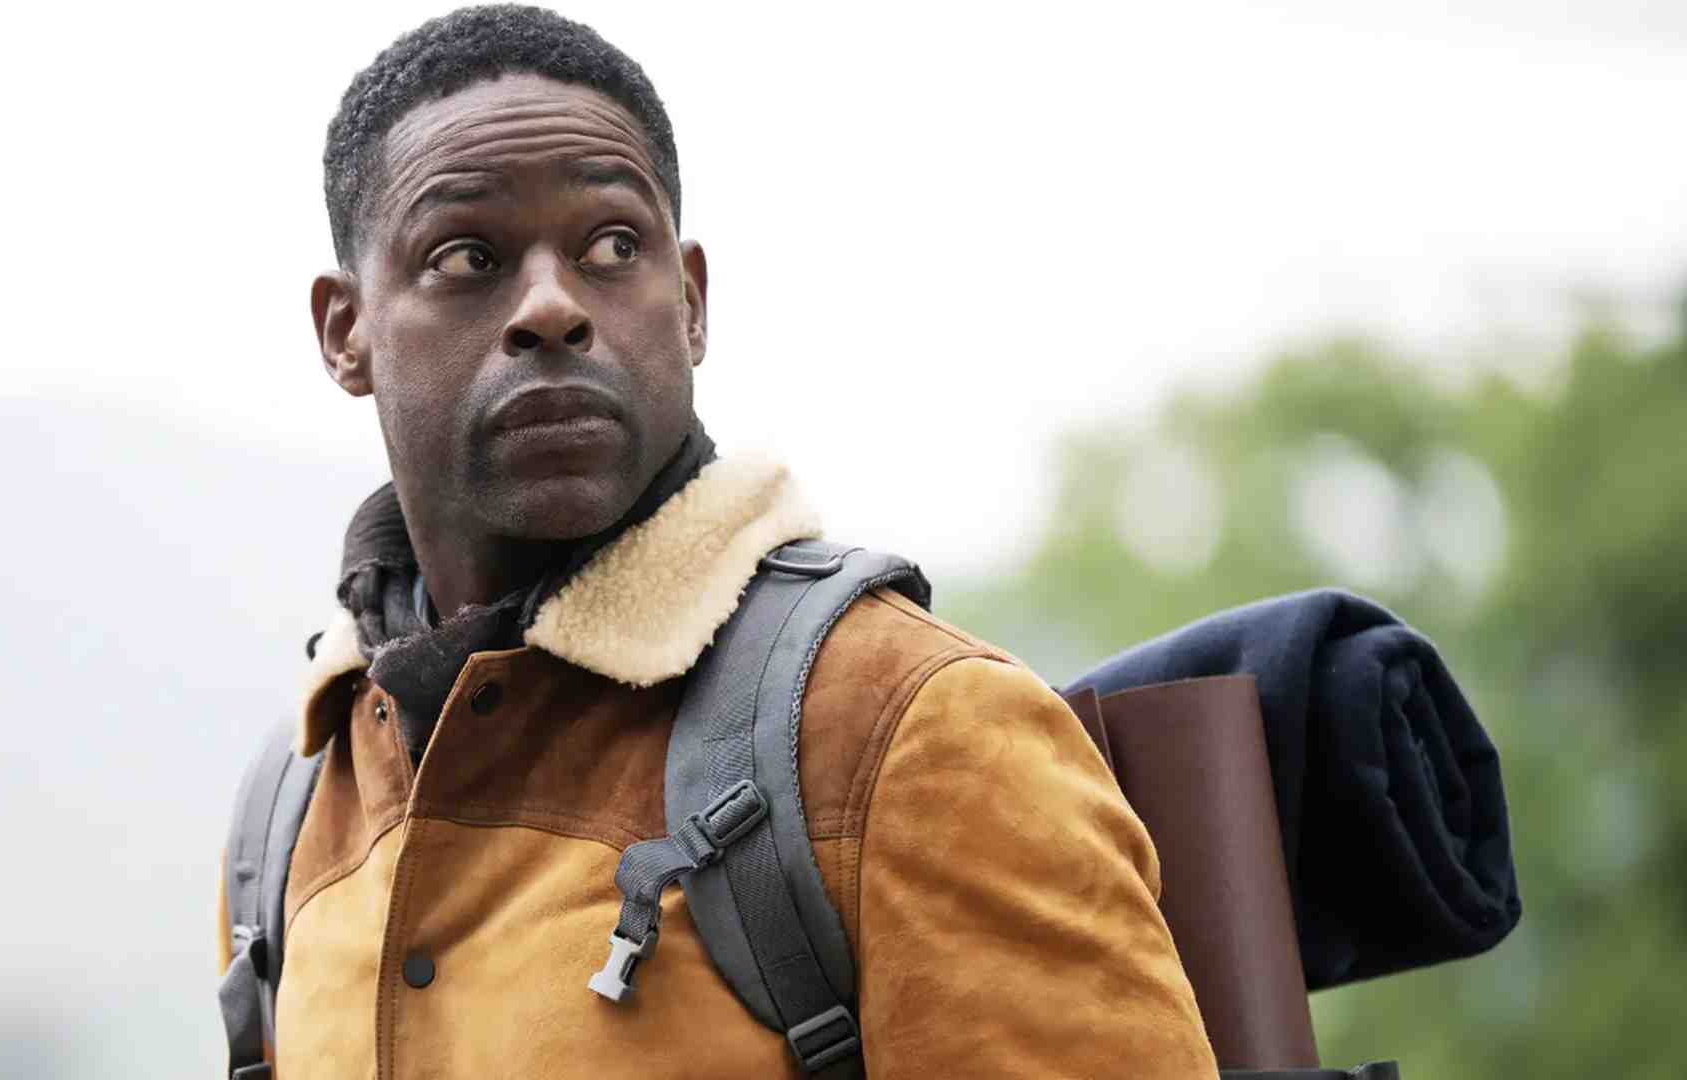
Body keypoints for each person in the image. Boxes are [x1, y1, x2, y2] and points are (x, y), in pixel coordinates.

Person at [218, 5, 1218, 1077]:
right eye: (468, 256)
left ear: (690, 303)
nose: (552, 306)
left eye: (613, 246)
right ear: (346, 331)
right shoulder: (293, 807)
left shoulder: (909, 729)